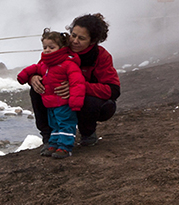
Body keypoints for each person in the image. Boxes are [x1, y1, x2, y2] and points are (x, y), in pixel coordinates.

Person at [27, 13, 120, 147]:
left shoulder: (101, 56)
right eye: (73, 35)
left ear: (92, 41)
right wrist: (33, 77)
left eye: (81, 38)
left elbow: (113, 90)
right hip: (60, 99)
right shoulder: (60, 49)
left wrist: (78, 87)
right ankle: (48, 136)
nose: (75, 41)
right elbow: (41, 68)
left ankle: (87, 133)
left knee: (89, 100)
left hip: (91, 102)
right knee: (37, 89)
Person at [17, 30, 86, 158]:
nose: (47, 50)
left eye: (51, 47)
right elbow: (33, 68)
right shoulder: (45, 63)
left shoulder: (68, 64)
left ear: (61, 48)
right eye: (45, 47)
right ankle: (54, 144)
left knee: (66, 124)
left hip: (64, 103)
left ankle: (65, 148)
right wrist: (24, 76)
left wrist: (75, 103)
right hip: (51, 104)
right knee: (54, 124)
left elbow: (77, 83)